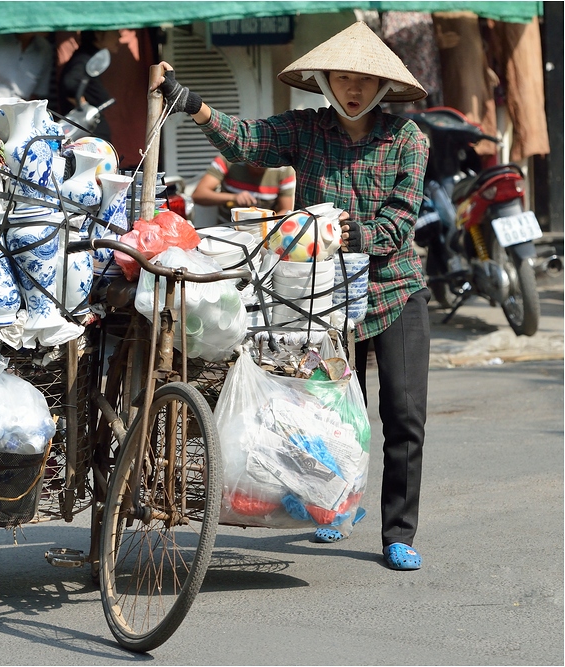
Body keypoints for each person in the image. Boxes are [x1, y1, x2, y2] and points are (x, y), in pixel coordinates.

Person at [154, 22, 430, 571]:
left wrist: (361, 236)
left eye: (364, 80)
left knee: (404, 415)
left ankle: (398, 530)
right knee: (326, 414)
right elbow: (248, 140)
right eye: (343, 77)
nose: (353, 89)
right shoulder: (306, 130)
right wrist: (193, 105)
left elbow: (402, 215)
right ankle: (333, 505)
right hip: (320, 298)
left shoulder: (408, 139)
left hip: (395, 292)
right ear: (326, 81)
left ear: (382, 87)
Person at [58, 30, 122, 141]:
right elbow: (70, 83)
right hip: (86, 131)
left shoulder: (92, 56)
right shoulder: (84, 57)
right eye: (115, 31)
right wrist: (84, 107)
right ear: (98, 33)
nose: (119, 36)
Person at [191, 157, 296, 221]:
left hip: (265, 234)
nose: (258, 165)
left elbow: (286, 210)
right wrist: (233, 197)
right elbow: (198, 194)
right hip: (228, 231)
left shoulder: (284, 169)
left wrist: (266, 225)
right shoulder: (228, 159)